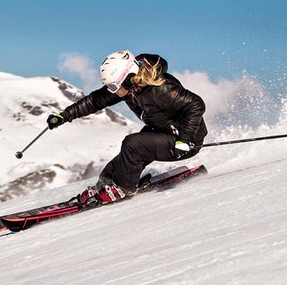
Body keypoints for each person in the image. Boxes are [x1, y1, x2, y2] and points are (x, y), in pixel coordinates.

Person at [47, 50, 207, 206]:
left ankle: (124, 188)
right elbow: (95, 101)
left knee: (133, 145)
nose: (112, 91)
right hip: (161, 132)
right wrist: (65, 115)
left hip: (185, 141)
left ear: (129, 78)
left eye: (113, 86)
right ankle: (103, 186)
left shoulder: (161, 89)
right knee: (121, 162)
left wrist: (184, 139)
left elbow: (196, 104)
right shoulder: (127, 88)